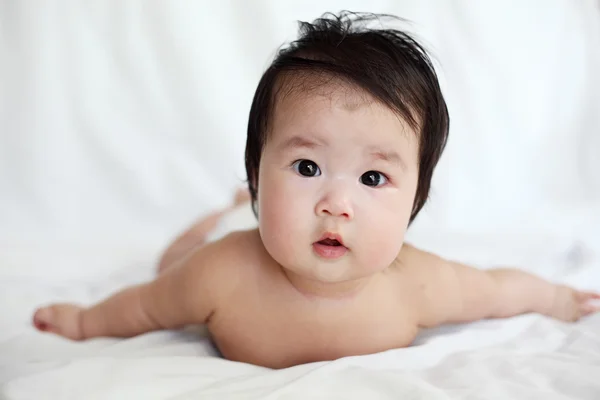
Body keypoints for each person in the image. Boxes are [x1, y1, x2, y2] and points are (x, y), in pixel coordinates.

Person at [32, 11, 600, 369]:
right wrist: (84, 322)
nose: (336, 203)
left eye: (373, 179)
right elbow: (142, 307)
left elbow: (496, 290)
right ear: (258, 174)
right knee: (169, 264)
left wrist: (554, 298)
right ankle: (229, 210)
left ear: (415, 202)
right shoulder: (220, 272)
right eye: (306, 168)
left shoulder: (420, 283)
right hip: (237, 233)